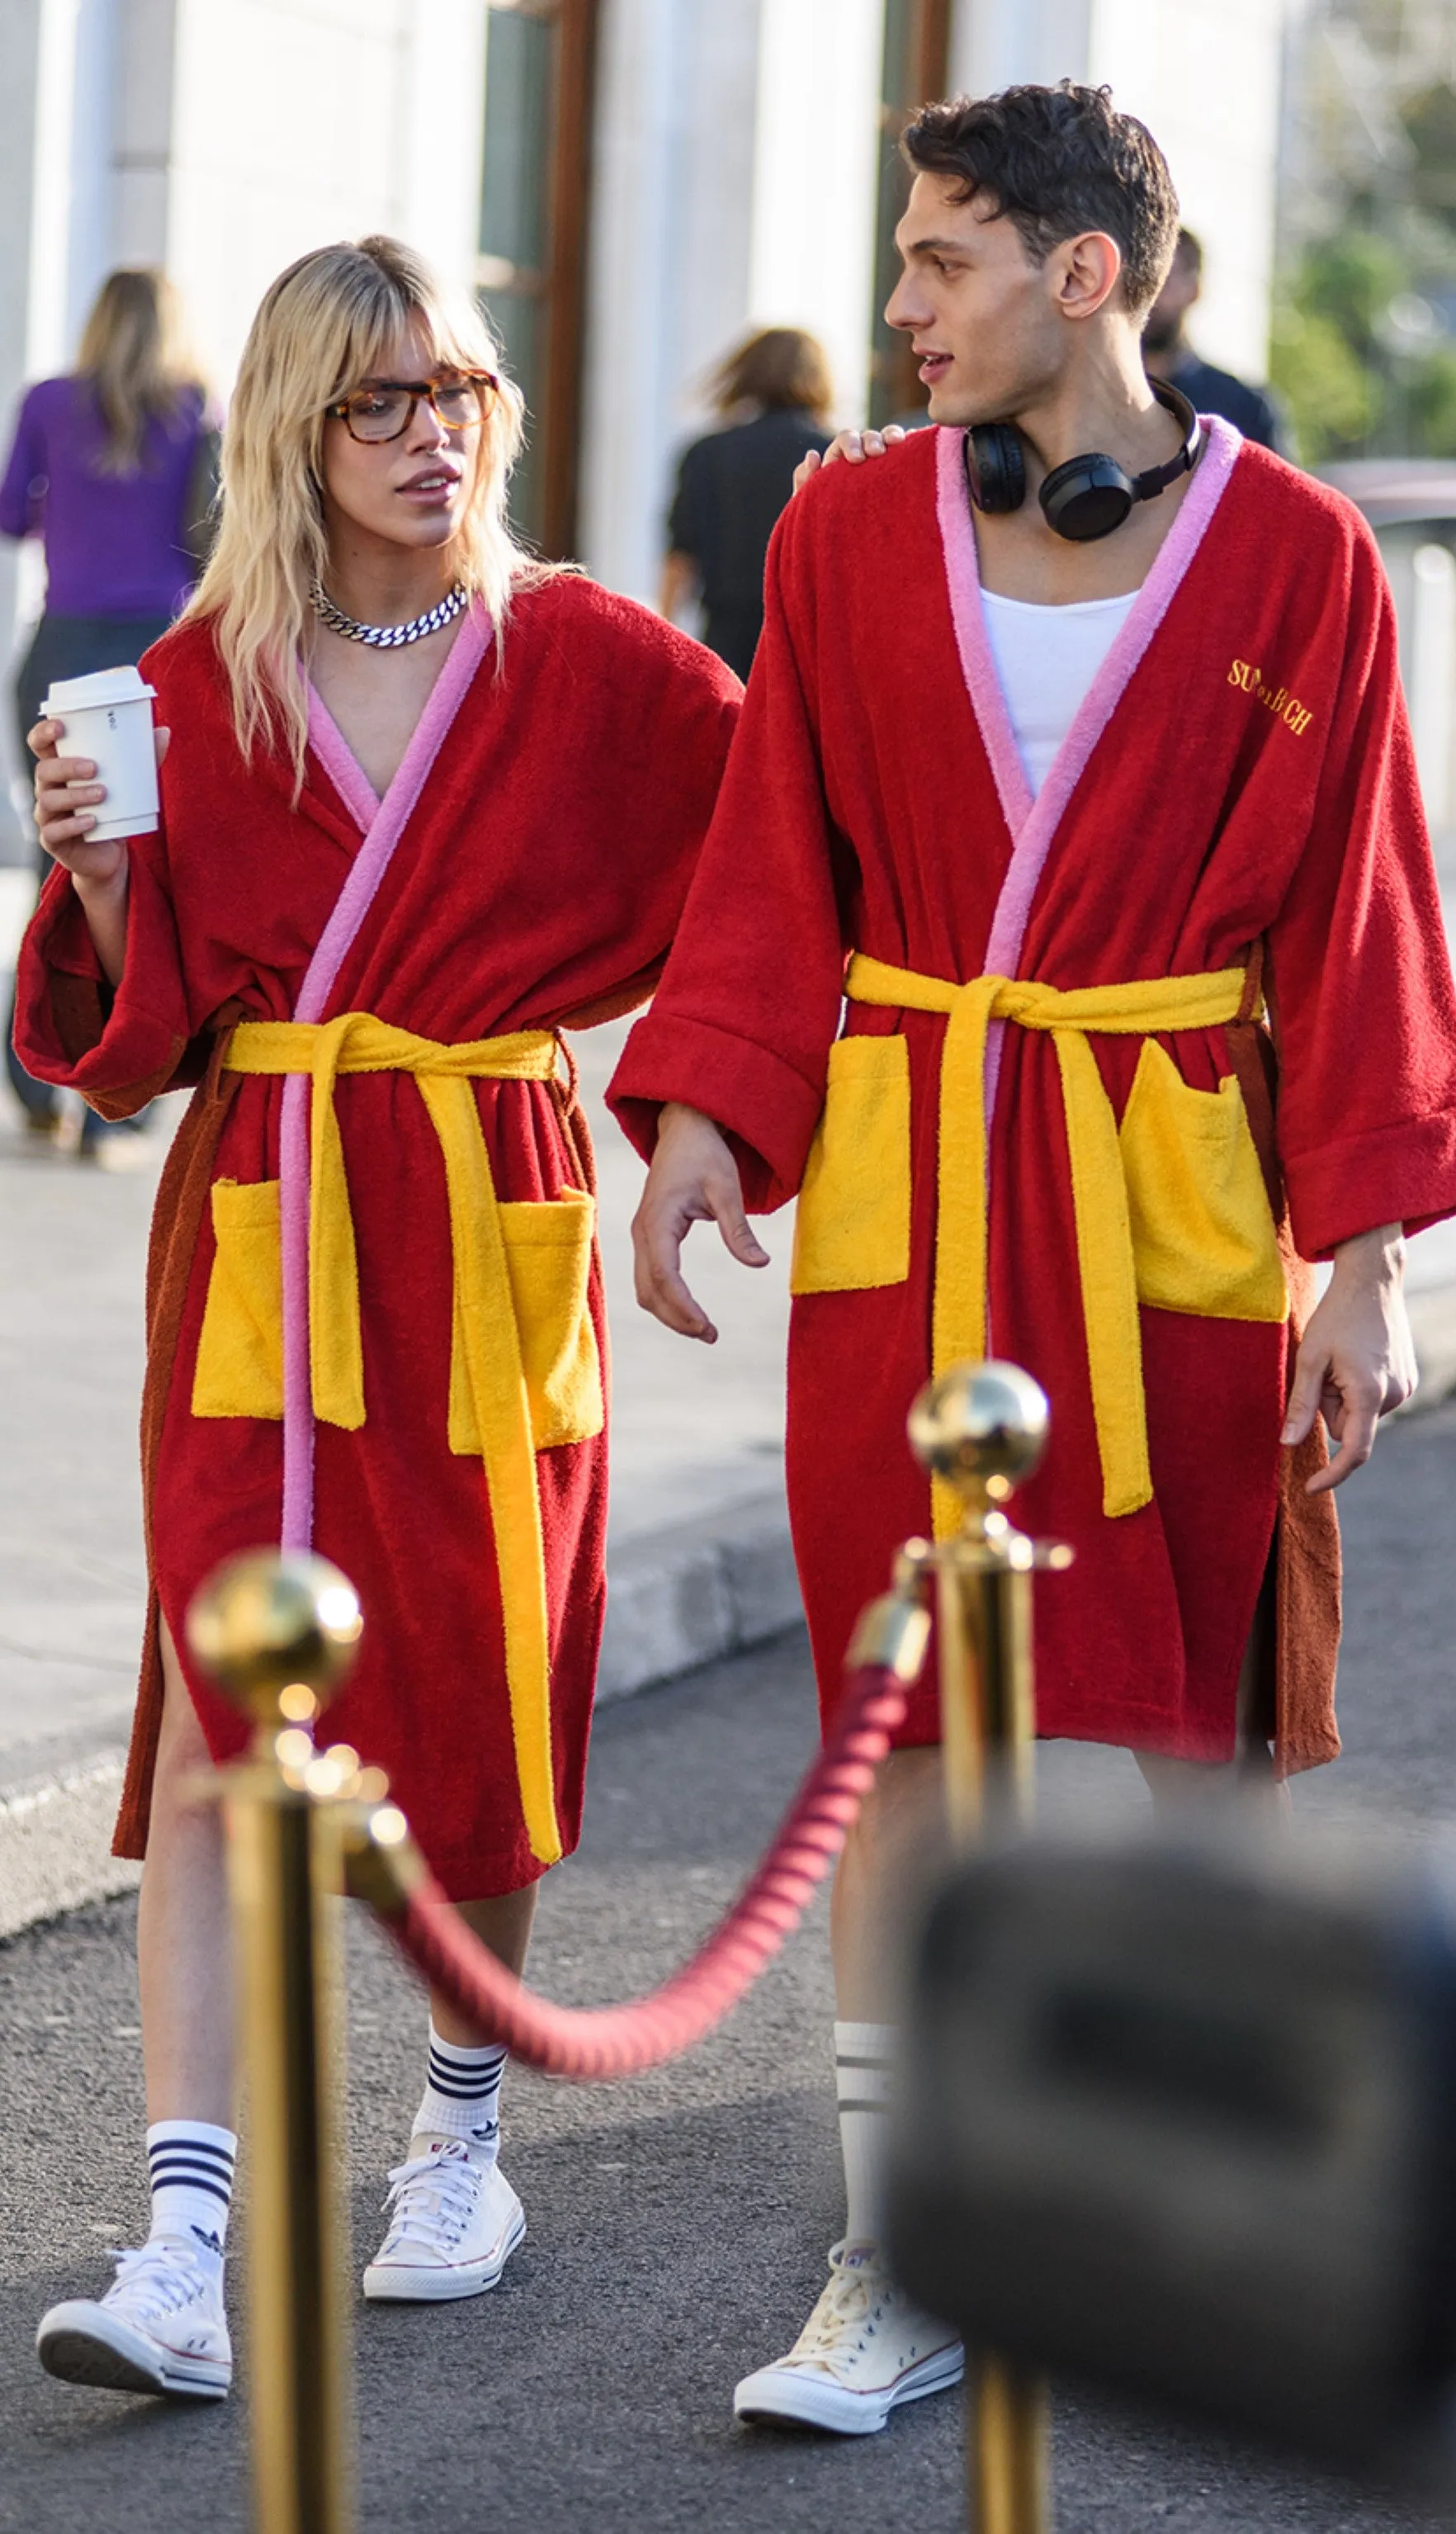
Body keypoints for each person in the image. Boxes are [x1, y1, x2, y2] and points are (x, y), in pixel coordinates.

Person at [609, 81, 1456, 2436]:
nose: (899, 307)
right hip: (917, 1190)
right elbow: (768, 856)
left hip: (1171, 1201)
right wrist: (709, 1106)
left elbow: (1358, 913)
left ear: (1087, 274)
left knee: (1200, 1720)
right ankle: (899, 2252)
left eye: (942, 262)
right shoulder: (836, 537)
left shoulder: (1306, 556)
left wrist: (1366, 1248)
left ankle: (1248, 2200)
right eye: (904, 261)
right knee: (903, 1726)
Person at [15, 234, 738, 2401]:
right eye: (384, 403)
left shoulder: (606, 663)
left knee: (477, 1697)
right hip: (257, 1214)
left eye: (464, 393)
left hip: (488, 1204)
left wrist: (703, 1118)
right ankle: (179, 2240)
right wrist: (112, 886)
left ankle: (460, 2137)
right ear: (294, 431)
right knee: (225, 1707)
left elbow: (780, 880)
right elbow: (117, 1050)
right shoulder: (185, 682)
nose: (437, 437)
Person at [2, 268, 216, 1157]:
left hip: (60, 650)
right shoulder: (193, 408)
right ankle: (113, 1101)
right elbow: (212, 539)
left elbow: (12, 516)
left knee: (59, 863)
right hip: (152, 664)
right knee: (142, 878)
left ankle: (38, 1081)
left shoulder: (49, 401)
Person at [660, 328, 832, 680]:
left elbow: (681, 555)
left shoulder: (707, 452)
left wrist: (665, 639)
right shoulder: (829, 454)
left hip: (725, 635)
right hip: (805, 637)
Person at [1143, 227, 1282, 451]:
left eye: (1161, 281)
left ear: (1194, 289)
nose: (1147, 297)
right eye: (1138, 281)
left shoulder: (1243, 407)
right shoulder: (1093, 395)